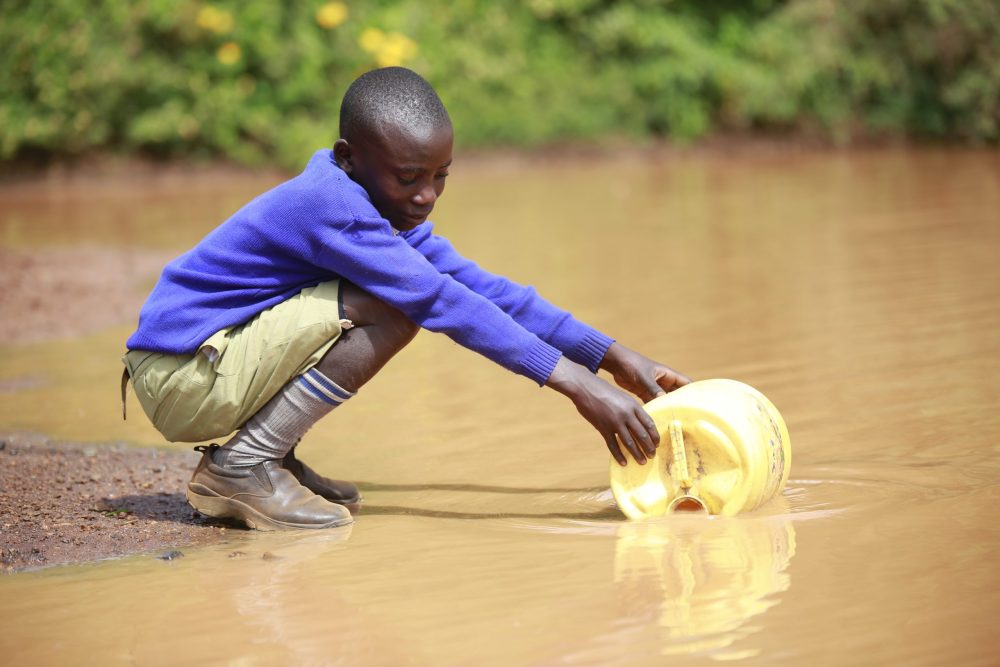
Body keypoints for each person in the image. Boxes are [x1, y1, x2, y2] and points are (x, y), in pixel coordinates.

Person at [121, 66, 690, 531]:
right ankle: (244, 466)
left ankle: (273, 457)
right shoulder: (333, 206)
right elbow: (441, 302)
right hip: (182, 375)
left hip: (213, 359)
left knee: (393, 297)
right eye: (409, 176)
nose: (426, 196)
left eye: (441, 176)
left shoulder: (378, 206)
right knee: (394, 306)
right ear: (350, 157)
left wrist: (611, 357)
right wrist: (575, 384)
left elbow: (483, 290)